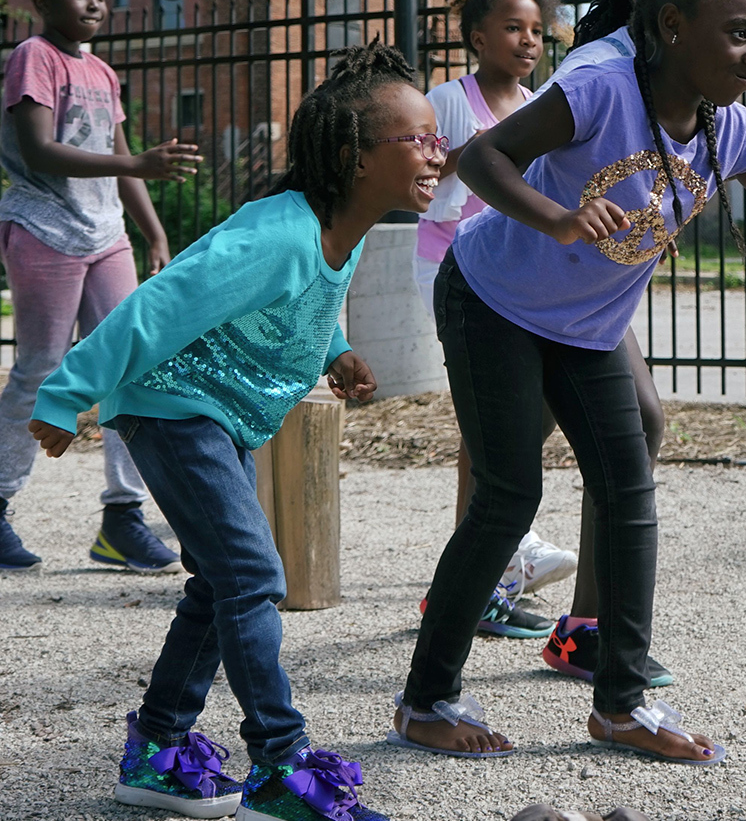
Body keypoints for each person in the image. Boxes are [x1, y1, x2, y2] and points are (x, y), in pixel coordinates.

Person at [390, 0, 746, 763]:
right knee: (509, 493)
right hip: (492, 300)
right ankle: (426, 697)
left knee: (627, 487)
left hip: (586, 328)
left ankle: (621, 704)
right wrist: (558, 216)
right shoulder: (601, 89)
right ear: (673, 27)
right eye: (738, 34)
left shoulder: (728, 126)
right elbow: (481, 156)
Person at [27, 41, 438, 821]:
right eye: (416, 138)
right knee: (254, 575)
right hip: (176, 408)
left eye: (437, 137)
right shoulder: (276, 233)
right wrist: (66, 393)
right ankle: (281, 768)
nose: (436, 152)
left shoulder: (336, 230)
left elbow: (299, 307)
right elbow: (159, 303)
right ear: (353, 156)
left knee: (221, 581)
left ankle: (157, 750)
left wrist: (337, 350)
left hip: (220, 415)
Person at [525, 0, 746, 688]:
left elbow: (670, 181)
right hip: (531, 283)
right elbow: (523, 166)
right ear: (667, 10)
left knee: (630, 430)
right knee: (512, 459)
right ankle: (486, 591)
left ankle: (585, 629)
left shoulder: (703, 87)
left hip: (594, 296)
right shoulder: (603, 70)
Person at [0, 0, 203, 573]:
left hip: (105, 231)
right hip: (45, 228)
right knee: (40, 367)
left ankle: (123, 517)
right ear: (43, 3)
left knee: (131, 366)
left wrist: (154, 231)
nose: (95, 4)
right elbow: (39, 152)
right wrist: (134, 166)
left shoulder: (103, 72)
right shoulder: (33, 58)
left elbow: (123, 155)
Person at [415, 0, 578, 641]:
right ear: (478, 36)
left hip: (520, 277)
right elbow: (417, 182)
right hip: (457, 272)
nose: (529, 40)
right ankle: (483, 574)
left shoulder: (542, 104)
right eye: (514, 28)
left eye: (537, 30)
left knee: (496, 429)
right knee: (487, 428)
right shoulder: (448, 100)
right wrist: (471, 156)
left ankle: (485, 569)